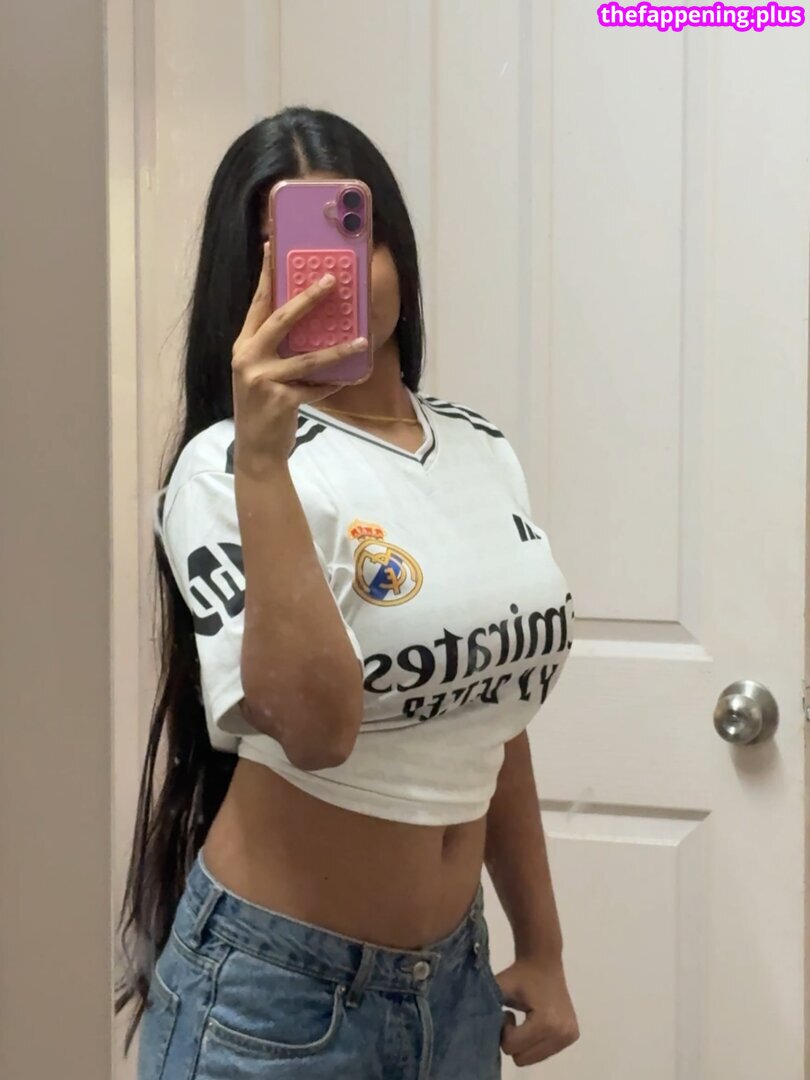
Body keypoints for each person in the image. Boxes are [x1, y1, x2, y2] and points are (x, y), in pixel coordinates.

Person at [115, 106, 579, 1078]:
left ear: (395, 249)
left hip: (455, 984)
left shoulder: (481, 450)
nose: (328, 279)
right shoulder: (223, 473)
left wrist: (542, 942)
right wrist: (265, 462)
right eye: (289, 256)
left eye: (351, 238)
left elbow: (491, 713)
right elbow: (319, 732)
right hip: (275, 1000)